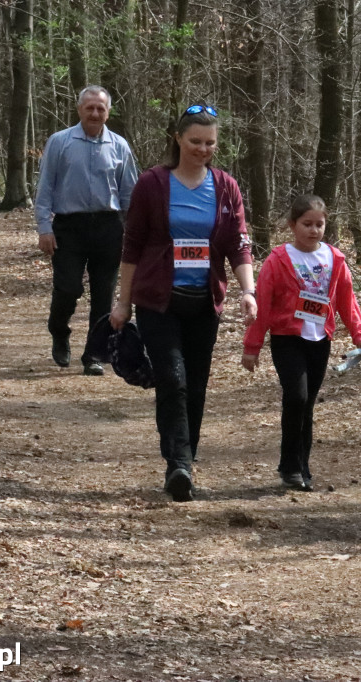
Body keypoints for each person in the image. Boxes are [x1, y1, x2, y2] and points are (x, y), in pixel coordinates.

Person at [110, 103, 256, 502]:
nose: (203, 149)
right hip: (158, 300)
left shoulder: (226, 187)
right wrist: (123, 302)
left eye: (210, 143)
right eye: (195, 141)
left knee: (195, 384)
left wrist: (248, 291)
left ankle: (186, 455)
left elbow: (238, 244)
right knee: (172, 378)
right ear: (178, 139)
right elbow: (132, 246)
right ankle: (178, 463)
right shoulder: (152, 184)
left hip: (203, 302)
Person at [241, 195, 361, 491]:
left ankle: (302, 466)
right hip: (287, 338)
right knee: (296, 398)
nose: (313, 230)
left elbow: (346, 300)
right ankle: (289, 466)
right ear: (292, 225)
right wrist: (252, 347)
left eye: (319, 224)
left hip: (320, 339)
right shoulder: (279, 260)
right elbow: (264, 304)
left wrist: (360, 334)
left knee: (308, 404)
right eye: (307, 224)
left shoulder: (334, 259)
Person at [35, 85, 139, 376]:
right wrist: (44, 227)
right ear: (79, 109)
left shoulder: (119, 146)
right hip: (69, 226)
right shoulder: (60, 142)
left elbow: (130, 193)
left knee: (103, 294)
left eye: (100, 108)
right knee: (68, 287)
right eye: (89, 107)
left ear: (108, 112)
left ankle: (94, 353)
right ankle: (59, 330)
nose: (95, 113)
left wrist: (134, 232)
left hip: (108, 226)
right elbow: (45, 187)